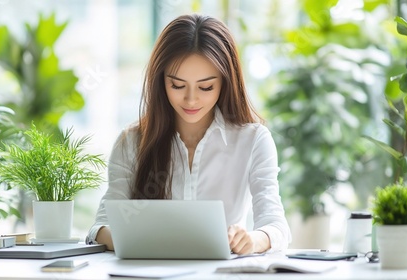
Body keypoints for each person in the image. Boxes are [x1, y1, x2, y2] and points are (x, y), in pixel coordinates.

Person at [87, 14, 291, 254]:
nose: (191, 99)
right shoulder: (131, 141)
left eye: (206, 87)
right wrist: (144, 241)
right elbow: (99, 228)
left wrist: (252, 240)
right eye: (177, 85)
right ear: (160, 81)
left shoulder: (253, 139)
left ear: (226, 82)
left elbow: (276, 226)